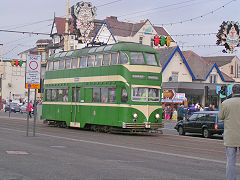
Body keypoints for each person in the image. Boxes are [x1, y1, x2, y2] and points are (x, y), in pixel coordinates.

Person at [218, 84, 240, 180]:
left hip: (230, 137)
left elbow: (220, 117)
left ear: (232, 92)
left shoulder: (226, 103)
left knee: (231, 161)